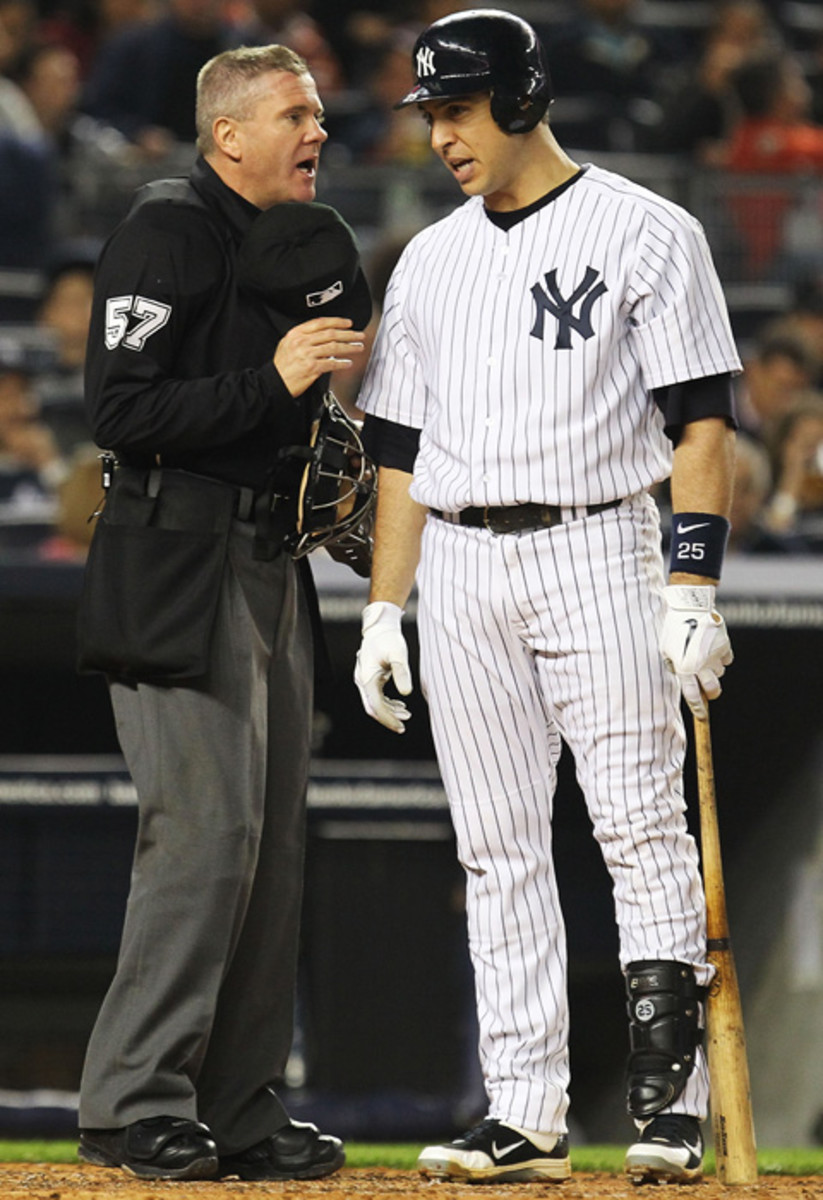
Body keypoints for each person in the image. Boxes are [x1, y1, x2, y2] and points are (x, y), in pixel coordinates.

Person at [353, 8, 740, 1185]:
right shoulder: (429, 257)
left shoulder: (645, 229)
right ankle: (523, 1111)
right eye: (431, 117)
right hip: (462, 568)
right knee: (496, 846)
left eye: (460, 111)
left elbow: (702, 420)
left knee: (636, 827)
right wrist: (383, 607)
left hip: (596, 546)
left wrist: (690, 581)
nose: (443, 138)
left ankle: (670, 1105)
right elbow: (401, 456)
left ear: (522, 99)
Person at [75, 43, 369, 1183]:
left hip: (267, 555)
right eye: (295, 113)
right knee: (204, 842)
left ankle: (240, 1106)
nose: (318, 131)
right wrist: (275, 383)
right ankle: (133, 1101)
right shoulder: (168, 227)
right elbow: (119, 407)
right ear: (229, 133)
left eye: (317, 113)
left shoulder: (290, 246)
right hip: (176, 554)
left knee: (268, 848)